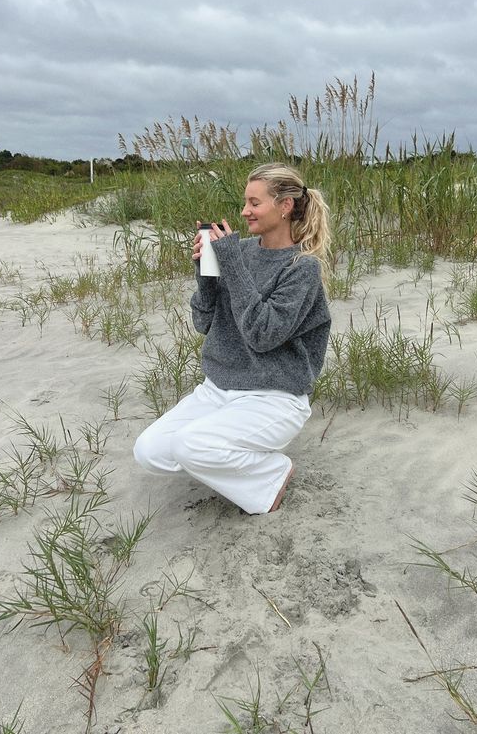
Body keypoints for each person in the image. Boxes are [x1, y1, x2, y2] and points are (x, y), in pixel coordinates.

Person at [133, 162, 332, 514]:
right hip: (218, 388)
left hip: (274, 395)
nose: (244, 211)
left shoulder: (302, 268)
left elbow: (263, 334)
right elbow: (203, 321)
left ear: (284, 206)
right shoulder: (237, 253)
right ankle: (228, 456)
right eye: (245, 202)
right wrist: (206, 274)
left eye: (255, 203)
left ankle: (271, 474)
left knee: (191, 446)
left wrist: (232, 264)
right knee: (149, 451)